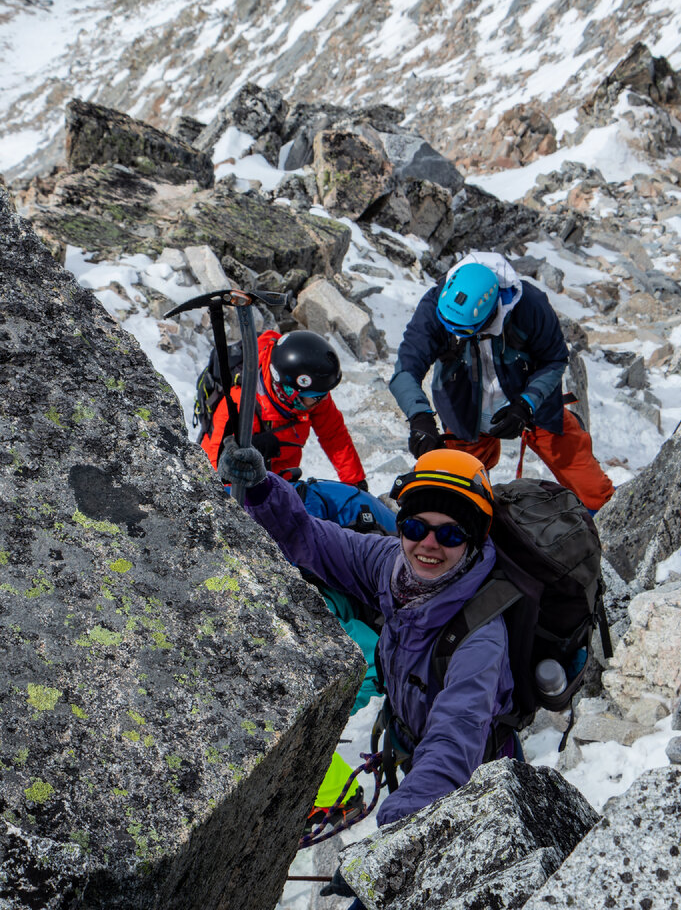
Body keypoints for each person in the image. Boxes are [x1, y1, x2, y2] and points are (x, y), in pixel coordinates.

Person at [217, 443, 514, 829]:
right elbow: (310, 538)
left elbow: (453, 742)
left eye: (451, 534)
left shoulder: (481, 637)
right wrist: (261, 490)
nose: (428, 544)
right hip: (412, 745)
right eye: (415, 526)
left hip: (475, 778)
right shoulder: (392, 566)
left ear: (473, 541)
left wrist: (398, 835)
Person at [389, 251, 614, 512]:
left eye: (463, 331)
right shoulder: (436, 305)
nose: (454, 335)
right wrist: (419, 417)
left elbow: (554, 360)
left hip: (534, 407)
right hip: (465, 411)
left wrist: (525, 405)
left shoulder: (529, 305)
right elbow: (405, 368)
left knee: (593, 490)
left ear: (489, 314)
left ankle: (607, 525)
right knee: (450, 497)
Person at [202, 328, 367, 488]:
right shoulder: (240, 405)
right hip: (244, 489)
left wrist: (355, 483)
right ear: (288, 392)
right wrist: (247, 449)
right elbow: (218, 473)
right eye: (317, 396)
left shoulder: (312, 395)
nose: (323, 400)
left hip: (281, 485)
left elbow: (333, 435)